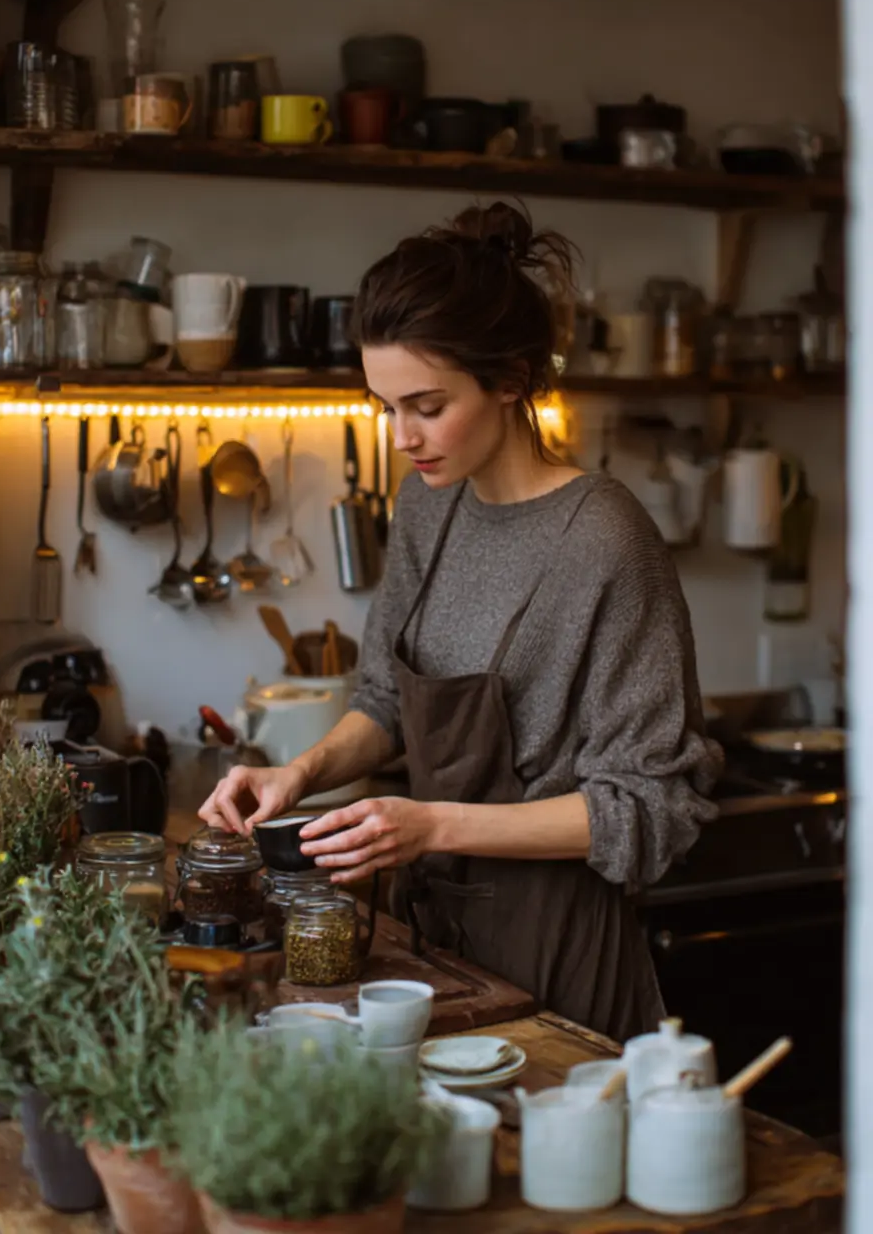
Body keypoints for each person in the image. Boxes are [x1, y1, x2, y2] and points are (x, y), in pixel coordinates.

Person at [199, 201, 722, 1039]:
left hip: (561, 949)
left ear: (512, 379)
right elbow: (382, 702)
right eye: (385, 407)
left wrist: (430, 822)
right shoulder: (427, 505)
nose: (403, 436)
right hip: (436, 939)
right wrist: (299, 774)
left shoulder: (606, 540)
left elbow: (653, 810)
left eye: (428, 405)